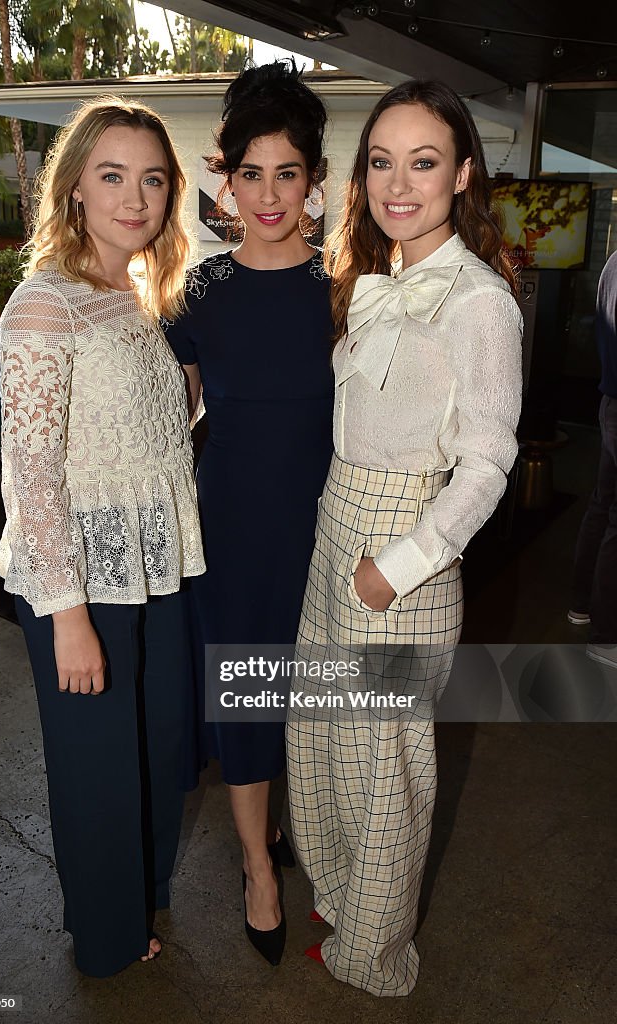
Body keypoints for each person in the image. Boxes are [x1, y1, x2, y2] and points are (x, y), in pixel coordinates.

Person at [286, 79, 523, 996]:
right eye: (381, 161)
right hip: (334, 527)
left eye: (422, 162)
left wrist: (401, 565)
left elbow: (489, 465)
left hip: (405, 556)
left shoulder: (477, 302)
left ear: (461, 173)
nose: (398, 183)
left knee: (385, 768)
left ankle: (375, 955)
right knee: (323, 740)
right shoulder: (373, 277)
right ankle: (346, 897)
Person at [0, 96, 205, 977]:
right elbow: (32, 473)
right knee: (98, 771)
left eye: (153, 178)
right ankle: (111, 942)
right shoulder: (43, 305)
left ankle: (143, 890)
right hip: (77, 579)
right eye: (113, 175)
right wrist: (67, 614)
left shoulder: (133, 294)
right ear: (75, 186)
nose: (135, 195)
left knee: (161, 748)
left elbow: (147, 430)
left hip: (153, 567)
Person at [165, 60, 334, 966]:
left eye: (288, 174)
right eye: (250, 173)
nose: (268, 196)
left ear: (314, 183)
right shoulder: (200, 292)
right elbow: (173, 409)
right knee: (247, 698)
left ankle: (318, 841)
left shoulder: (346, 292)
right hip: (230, 525)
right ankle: (257, 869)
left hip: (328, 524)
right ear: (224, 178)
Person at [568, 250, 617, 666]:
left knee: (602, 506)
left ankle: (582, 604)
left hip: (610, 400)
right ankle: (606, 636)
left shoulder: (613, 262)